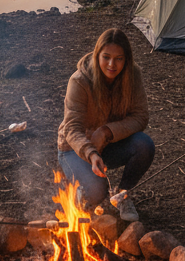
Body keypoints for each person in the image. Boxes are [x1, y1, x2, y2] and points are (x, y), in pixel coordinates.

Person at [57, 28, 154, 222]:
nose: (112, 64)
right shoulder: (80, 81)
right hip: (75, 149)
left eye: (119, 58)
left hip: (110, 144)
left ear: (126, 59)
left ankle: (122, 195)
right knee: (95, 193)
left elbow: (141, 116)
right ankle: (79, 186)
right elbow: (71, 128)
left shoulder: (132, 76)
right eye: (106, 57)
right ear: (97, 55)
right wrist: (91, 153)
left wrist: (107, 131)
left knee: (144, 145)